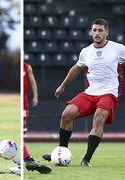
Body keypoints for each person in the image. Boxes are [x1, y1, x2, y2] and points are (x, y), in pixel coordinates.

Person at [42, 18, 125, 167]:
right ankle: (62, 152)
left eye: (100, 30)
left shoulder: (118, 49)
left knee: (98, 118)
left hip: (109, 93)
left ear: (107, 32)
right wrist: (62, 86)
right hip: (90, 93)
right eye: (94, 30)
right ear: (91, 32)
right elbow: (76, 69)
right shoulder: (86, 52)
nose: (97, 33)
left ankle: (86, 159)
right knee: (67, 114)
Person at [10, 62, 52, 175]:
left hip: (24, 101)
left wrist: (35, 96)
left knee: (22, 125)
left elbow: (33, 82)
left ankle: (25, 159)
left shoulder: (27, 67)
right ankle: (26, 159)